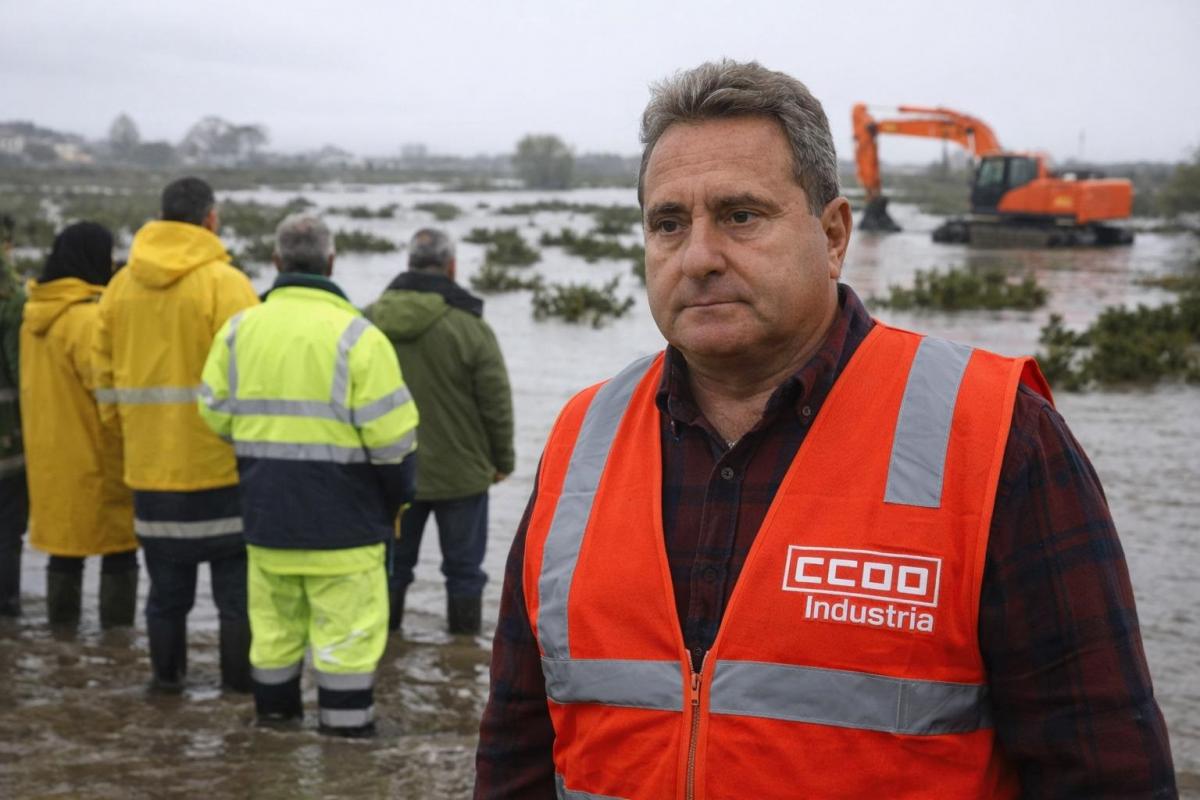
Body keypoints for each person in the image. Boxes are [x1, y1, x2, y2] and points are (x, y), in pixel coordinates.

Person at [475, 60, 1176, 798]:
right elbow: (518, 743)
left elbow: (1104, 771)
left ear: (834, 233)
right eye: (669, 223)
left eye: (741, 215)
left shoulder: (998, 435)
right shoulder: (583, 436)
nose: (700, 257)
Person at [198, 214, 418, 737]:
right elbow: (395, 445)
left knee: (272, 640)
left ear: (276, 263)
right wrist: (396, 504)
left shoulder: (238, 330)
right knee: (346, 650)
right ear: (331, 262)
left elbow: (212, 412)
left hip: (266, 524)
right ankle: (346, 764)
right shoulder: (358, 337)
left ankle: (273, 743)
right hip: (346, 533)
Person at [94, 177, 259, 692]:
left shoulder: (120, 286)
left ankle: (165, 690)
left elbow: (102, 376)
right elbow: (250, 375)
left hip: (151, 470)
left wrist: (131, 432)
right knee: (236, 598)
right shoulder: (226, 283)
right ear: (210, 219)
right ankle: (237, 693)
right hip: (221, 469)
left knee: (165, 596)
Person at [366, 228, 514, 635]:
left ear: (408, 265)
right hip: (461, 477)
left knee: (391, 569)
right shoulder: (470, 327)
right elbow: (496, 403)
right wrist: (503, 461)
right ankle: (462, 659)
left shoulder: (366, 321)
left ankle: (384, 656)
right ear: (451, 267)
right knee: (465, 573)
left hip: (388, 473)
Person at [20, 222, 137, 626]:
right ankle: (117, 642)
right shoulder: (87, 319)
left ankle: (62, 639)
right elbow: (107, 394)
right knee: (119, 551)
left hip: (50, 458)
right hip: (95, 456)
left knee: (63, 552)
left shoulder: (34, 316)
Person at [0, 215, 27, 616]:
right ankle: (6, 607)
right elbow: (20, 367)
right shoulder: (12, 295)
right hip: (6, 437)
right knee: (7, 528)